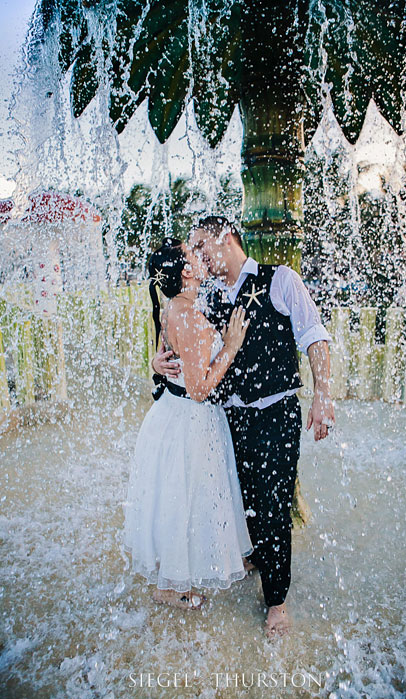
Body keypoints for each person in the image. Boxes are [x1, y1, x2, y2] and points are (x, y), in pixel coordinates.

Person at [152, 216, 334, 637]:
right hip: (224, 418)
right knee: (238, 497)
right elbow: (178, 338)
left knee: (273, 505)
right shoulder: (208, 295)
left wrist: (322, 396)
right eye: (191, 251)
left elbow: (314, 336)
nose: (196, 257)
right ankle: (251, 557)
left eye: (200, 247)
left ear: (225, 237)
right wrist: (156, 362)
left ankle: (276, 601)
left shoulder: (281, 279)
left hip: (274, 414)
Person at [124, 238, 251, 610]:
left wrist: (154, 362)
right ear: (187, 271)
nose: (200, 253)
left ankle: (177, 574)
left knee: (177, 499)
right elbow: (198, 389)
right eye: (193, 253)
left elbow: (170, 355)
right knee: (189, 499)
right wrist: (229, 346)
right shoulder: (191, 317)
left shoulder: (174, 307)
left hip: (170, 414)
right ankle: (172, 588)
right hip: (191, 419)